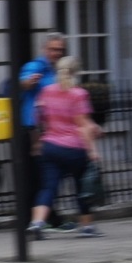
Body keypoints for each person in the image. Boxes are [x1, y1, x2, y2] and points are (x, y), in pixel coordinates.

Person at [27, 56, 103, 240]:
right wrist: (93, 151)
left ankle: (37, 223)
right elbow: (82, 125)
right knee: (81, 187)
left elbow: (39, 119)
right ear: (77, 72)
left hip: (50, 146)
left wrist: (38, 142)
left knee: (48, 188)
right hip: (74, 148)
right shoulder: (78, 94)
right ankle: (86, 226)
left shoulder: (46, 91)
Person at [19, 32, 68, 230]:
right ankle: (35, 219)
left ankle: (47, 217)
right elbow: (23, 81)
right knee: (36, 175)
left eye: (60, 50)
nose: (57, 53)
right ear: (44, 49)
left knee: (49, 175)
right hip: (34, 129)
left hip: (52, 129)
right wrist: (29, 82)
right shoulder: (36, 66)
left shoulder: (58, 70)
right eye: (53, 49)